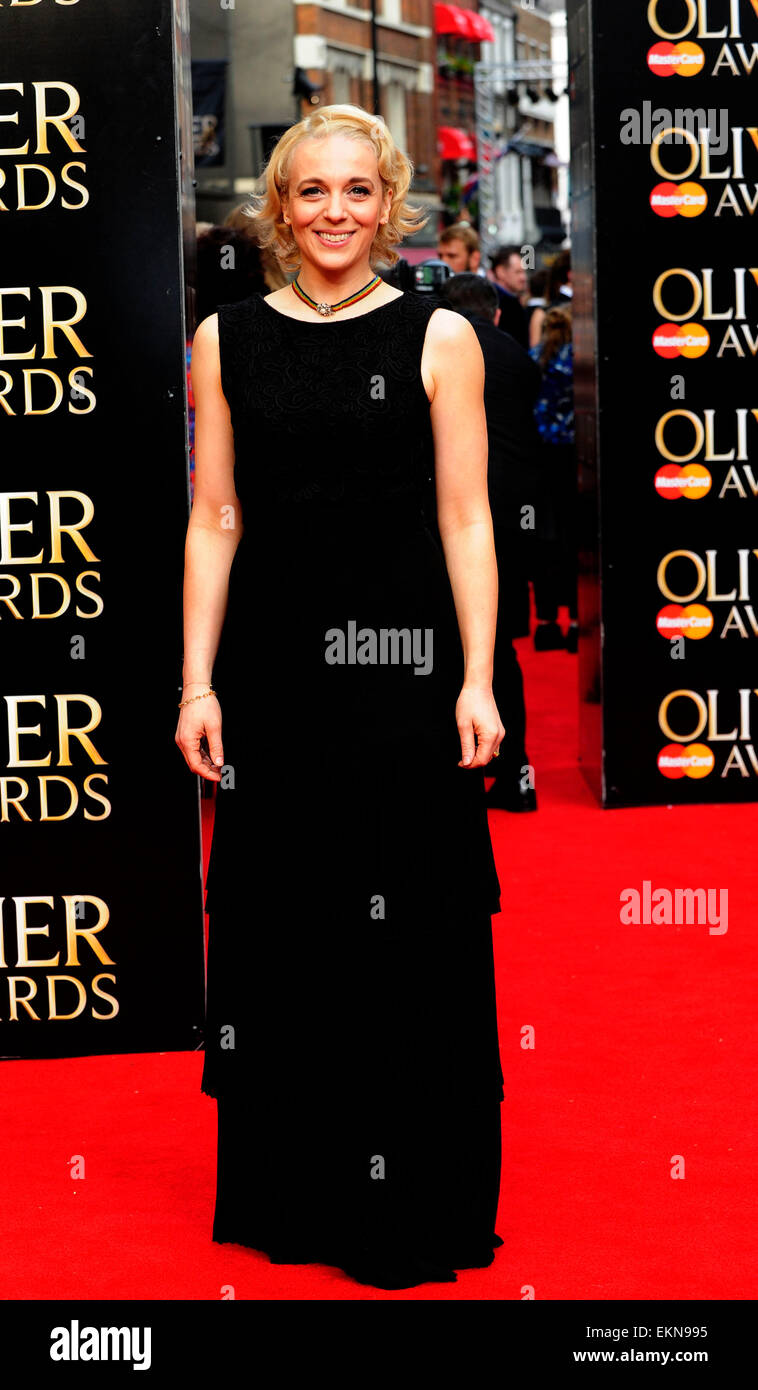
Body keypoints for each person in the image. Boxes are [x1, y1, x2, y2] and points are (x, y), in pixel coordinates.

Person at [176, 104, 506, 1291]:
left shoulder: (439, 336)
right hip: (271, 680)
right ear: (278, 204)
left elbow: (465, 517)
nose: (333, 212)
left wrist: (475, 675)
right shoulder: (224, 339)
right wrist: (196, 684)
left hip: (401, 681)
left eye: (356, 191)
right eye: (311, 190)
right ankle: (294, 1186)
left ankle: (409, 1189)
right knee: (284, 925)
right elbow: (216, 521)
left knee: (403, 927)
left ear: (389, 201)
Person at [439, 272, 542, 812]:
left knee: (457, 648)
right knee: (499, 647)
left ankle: (461, 765)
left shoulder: (440, 348)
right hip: (514, 514)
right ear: (496, 312)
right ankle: (515, 771)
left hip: (463, 514)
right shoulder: (518, 358)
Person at [529, 305, 578, 652]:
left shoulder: (532, 359)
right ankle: (578, 622)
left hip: (540, 462)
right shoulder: (580, 359)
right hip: (576, 462)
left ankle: (546, 624)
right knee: (576, 541)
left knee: (544, 542)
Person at [438, 226, 528, 348]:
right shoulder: (436, 295)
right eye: (440, 256)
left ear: (474, 259)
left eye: (452, 256)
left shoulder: (506, 302)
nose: (443, 262)